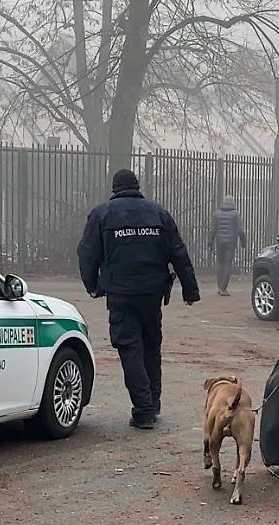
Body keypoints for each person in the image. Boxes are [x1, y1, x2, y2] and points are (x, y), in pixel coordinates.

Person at [77, 168, 201, 430]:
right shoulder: (159, 214)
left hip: (120, 294)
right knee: (151, 346)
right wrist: (190, 291)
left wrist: (93, 286)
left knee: (129, 348)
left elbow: (87, 254)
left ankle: (144, 409)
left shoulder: (102, 215)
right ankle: (152, 403)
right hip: (152, 293)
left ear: (115, 189)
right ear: (137, 186)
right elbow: (179, 253)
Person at [207, 195, 247, 296]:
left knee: (220, 263)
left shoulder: (216, 214)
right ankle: (223, 288)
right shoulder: (235, 215)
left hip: (219, 241)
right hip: (231, 242)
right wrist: (243, 242)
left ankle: (220, 286)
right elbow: (240, 230)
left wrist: (210, 242)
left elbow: (212, 230)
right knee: (227, 264)